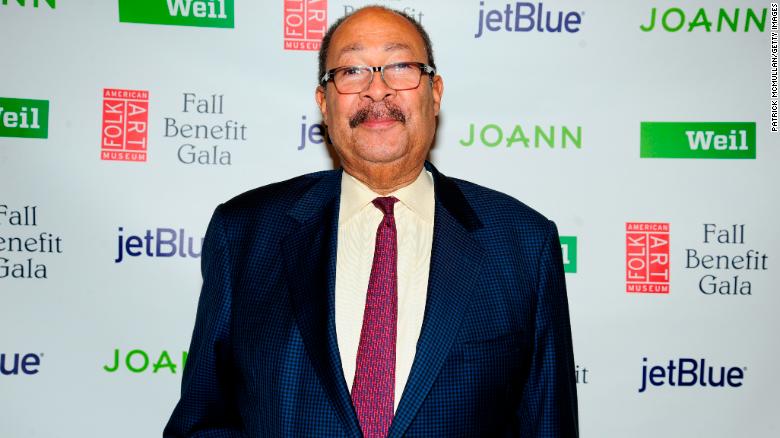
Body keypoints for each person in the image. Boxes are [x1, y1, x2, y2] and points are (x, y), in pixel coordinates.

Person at [164, 6, 578, 437]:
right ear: (324, 102)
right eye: (352, 71)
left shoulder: (522, 244)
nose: (376, 90)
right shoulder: (245, 234)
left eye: (400, 66)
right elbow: (202, 421)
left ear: (434, 93)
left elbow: (548, 423)